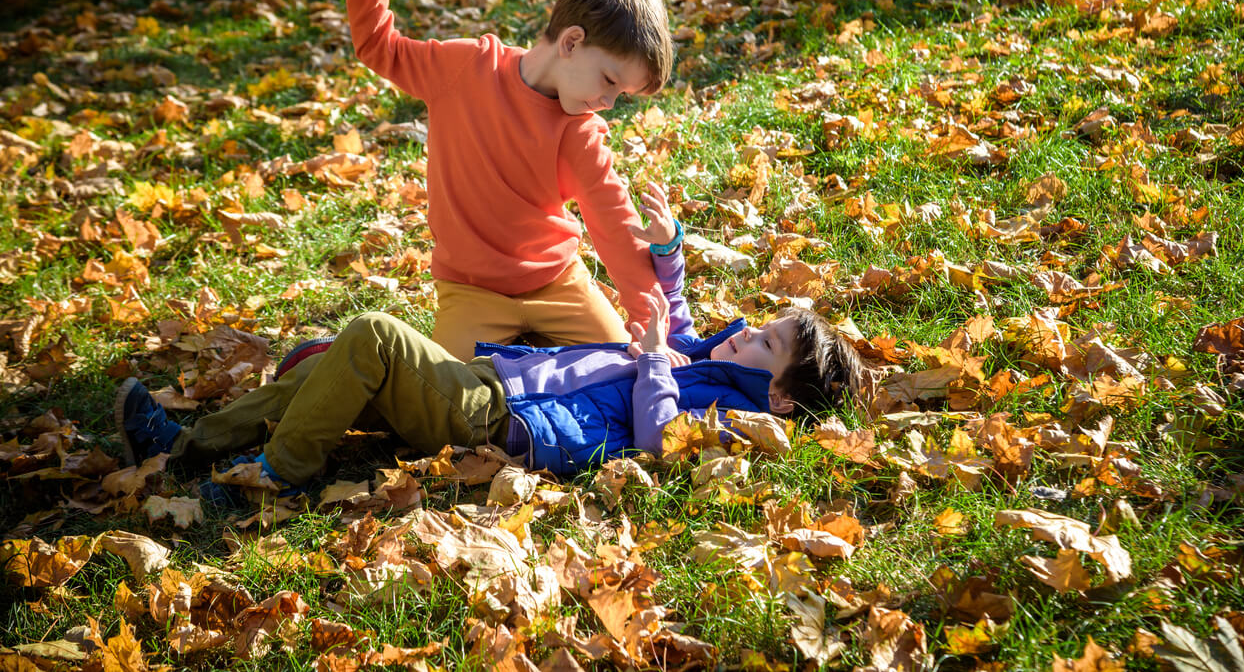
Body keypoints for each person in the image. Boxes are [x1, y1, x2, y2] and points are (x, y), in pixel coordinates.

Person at [115, 185, 864, 503]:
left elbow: (660, 437)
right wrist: (668, 252)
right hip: (494, 384)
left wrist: (652, 361)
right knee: (337, 368)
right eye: (763, 326)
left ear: (778, 394)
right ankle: (185, 448)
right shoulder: (705, 361)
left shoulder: (730, 417)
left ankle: (283, 470)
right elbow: (675, 319)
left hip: (500, 421)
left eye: (766, 343)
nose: (749, 333)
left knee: (374, 335)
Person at [344, 0, 674, 362]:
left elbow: (616, 224)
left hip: (558, 283)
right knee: (449, 391)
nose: (608, 102)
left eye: (621, 94)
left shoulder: (579, 130)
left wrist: (651, 327)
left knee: (619, 370)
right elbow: (379, 47)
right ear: (571, 43)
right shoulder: (464, 69)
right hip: (470, 290)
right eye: (610, 81)